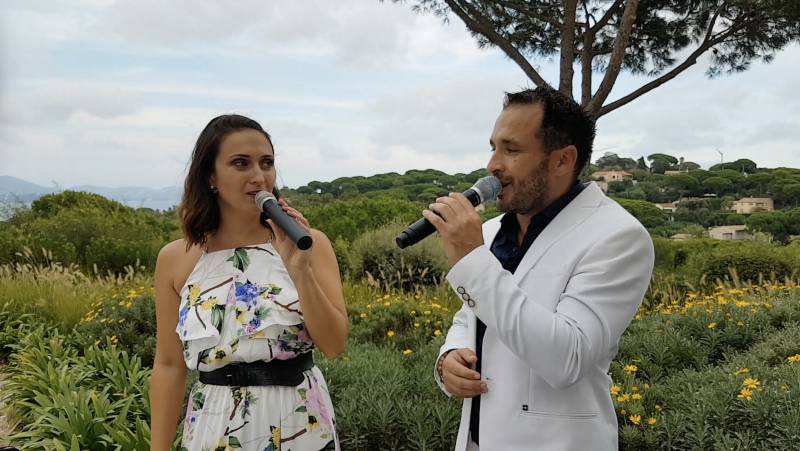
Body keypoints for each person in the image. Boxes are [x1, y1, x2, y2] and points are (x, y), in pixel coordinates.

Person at [425, 87, 654, 450]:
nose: (492, 165)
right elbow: (469, 316)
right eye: (493, 147)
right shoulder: (492, 231)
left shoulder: (618, 237)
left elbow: (567, 358)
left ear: (562, 160)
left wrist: (472, 260)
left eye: (512, 149)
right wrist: (448, 359)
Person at [150, 114, 347, 451]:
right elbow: (169, 365)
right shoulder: (176, 258)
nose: (258, 176)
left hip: (299, 425)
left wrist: (299, 269)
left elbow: (334, 345)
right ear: (211, 176)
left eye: (266, 163)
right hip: (214, 428)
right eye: (241, 163)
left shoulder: (310, 243)